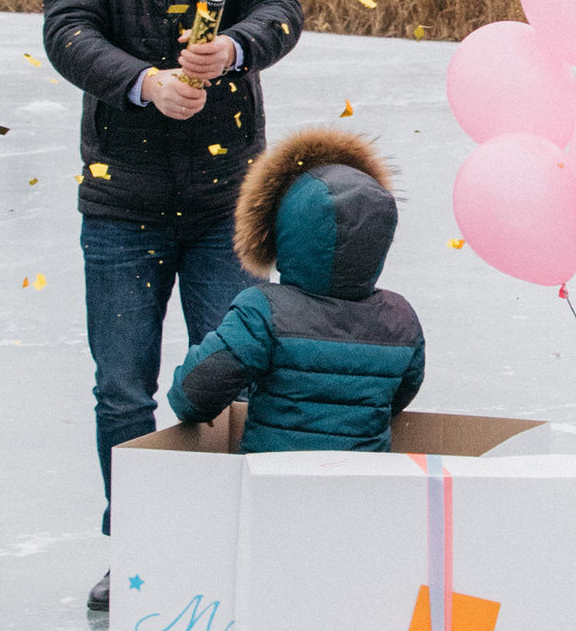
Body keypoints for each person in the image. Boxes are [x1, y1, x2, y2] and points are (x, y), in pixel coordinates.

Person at [41, 0, 303, 610]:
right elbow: (67, 32)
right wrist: (146, 84)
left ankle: (228, 548)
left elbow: (282, 11)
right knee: (122, 388)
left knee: (233, 378)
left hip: (227, 203)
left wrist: (234, 50)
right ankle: (142, 553)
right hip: (122, 203)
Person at [169, 126, 426, 449]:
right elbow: (399, 396)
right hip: (362, 478)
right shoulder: (400, 319)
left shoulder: (263, 311)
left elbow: (194, 394)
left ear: (286, 230)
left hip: (272, 475)